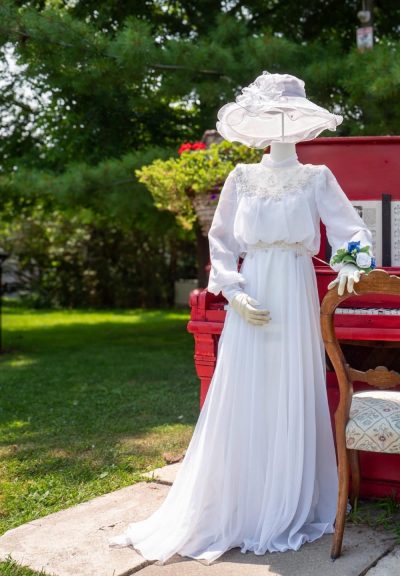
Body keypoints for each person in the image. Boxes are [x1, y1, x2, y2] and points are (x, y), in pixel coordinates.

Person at [110, 72, 372, 565]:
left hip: (295, 289)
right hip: (252, 292)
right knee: (246, 390)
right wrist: (231, 290)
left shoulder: (317, 178)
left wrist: (351, 267)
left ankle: (287, 497)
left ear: (299, 122)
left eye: (286, 118)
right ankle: (240, 499)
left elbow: (351, 230)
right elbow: (223, 242)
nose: (279, 130)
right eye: (270, 119)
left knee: (290, 387)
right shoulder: (241, 178)